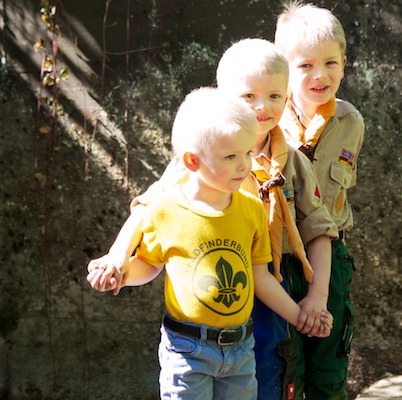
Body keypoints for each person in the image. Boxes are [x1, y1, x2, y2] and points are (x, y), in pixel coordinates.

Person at [87, 87, 333, 400]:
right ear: (191, 160)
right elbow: (149, 265)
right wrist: (118, 274)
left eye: (247, 153)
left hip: (242, 348)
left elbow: (259, 277)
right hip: (188, 350)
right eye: (231, 157)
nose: (244, 165)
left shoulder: (250, 209)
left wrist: (300, 317)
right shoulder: (166, 211)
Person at [216, 38, 339, 400]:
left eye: (274, 96)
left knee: (274, 376)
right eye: (249, 97)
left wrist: (316, 298)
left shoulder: (293, 163)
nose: (263, 107)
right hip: (223, 288)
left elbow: (318, 228)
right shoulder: (208, 156)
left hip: (277, 284)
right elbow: (155, 206)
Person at [274, 2, 365, 399]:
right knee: (284, 370)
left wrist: (324, 285)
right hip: (278, 262)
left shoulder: (350, 123)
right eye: (306, 65)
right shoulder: (267, 124)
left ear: (344, 65)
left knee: (328, 370)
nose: (320, 75)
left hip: (332, 260)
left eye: (330, 63)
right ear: (284, 69)